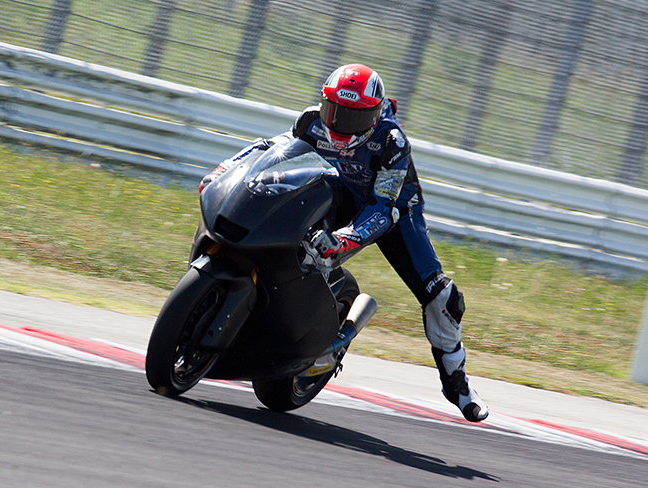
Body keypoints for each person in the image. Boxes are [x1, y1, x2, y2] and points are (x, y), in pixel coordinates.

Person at [200, 63, 488, 422]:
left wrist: (343, 239)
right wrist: (225, 171)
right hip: (340, 189)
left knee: (443, 298)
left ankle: (456, 383)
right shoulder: (311, 121)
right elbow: (270, 151)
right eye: (332, 110)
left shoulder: (392, 143)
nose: (336, 123)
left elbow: (382, 209)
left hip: (394, 210)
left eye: (350, 118)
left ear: (373, 115)